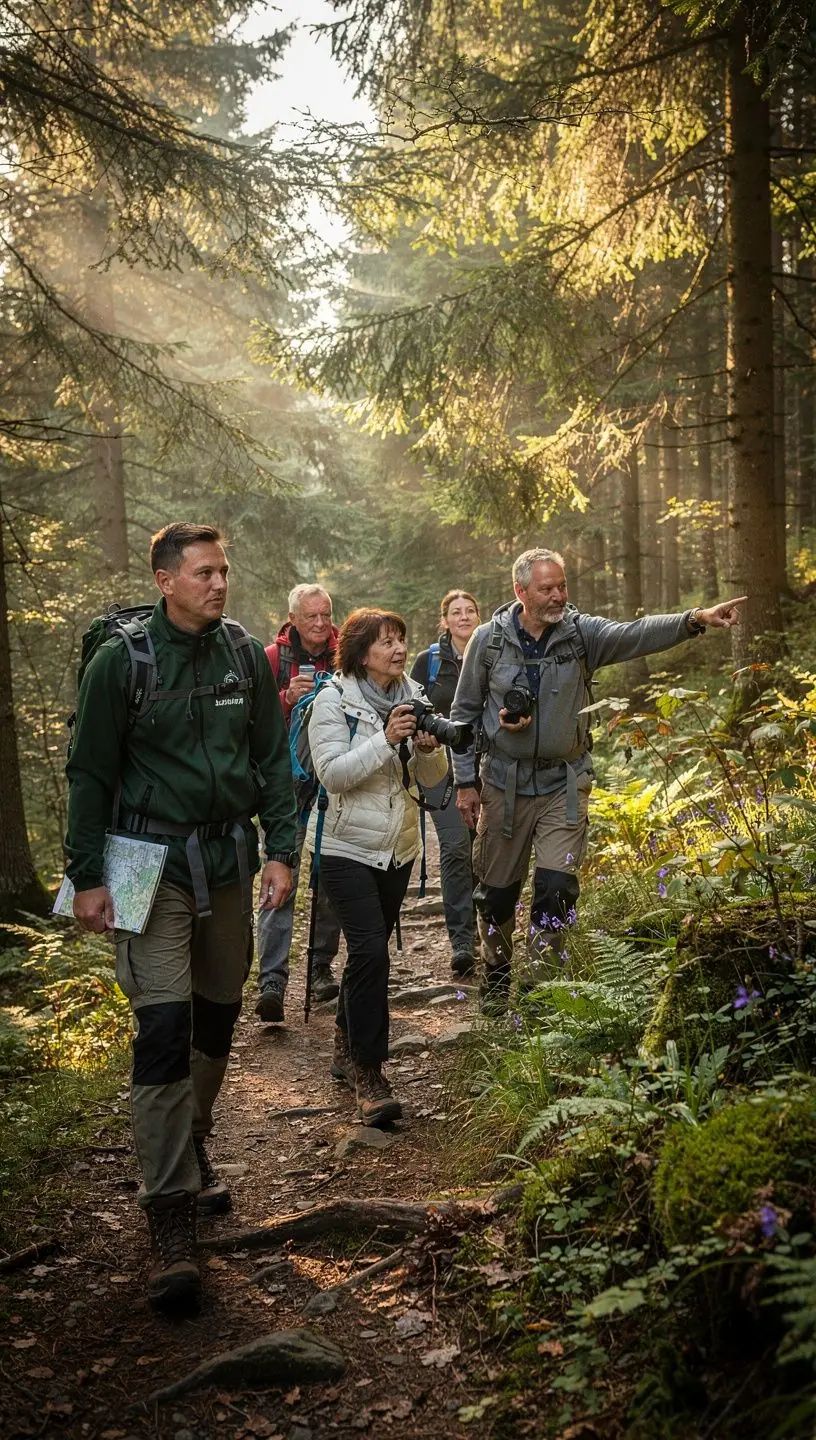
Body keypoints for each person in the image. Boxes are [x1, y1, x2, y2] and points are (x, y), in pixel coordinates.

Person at [65, 523, 296, 1308]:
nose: (219, 584)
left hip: (228, 860)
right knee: (162, 1028)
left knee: (217, 1018)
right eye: (203, 573)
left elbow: (271, 757)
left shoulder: (243, 655)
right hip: (142, 865)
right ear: (165, 580)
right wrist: (87, 876)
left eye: (224, 570)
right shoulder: (118, 663)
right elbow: (89, 773)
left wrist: (282, 850)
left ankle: (192, 1144)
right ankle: (168, 1211)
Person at [450, 547, 746, 1013]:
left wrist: (695, 619)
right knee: (497, 893)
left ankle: (541, 991)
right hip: (503, 785)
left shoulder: (580, 633)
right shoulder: (487, 642)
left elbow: (634, 634)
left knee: (556, 888)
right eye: (546, 588)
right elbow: (463, 716)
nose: (557, 595)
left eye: (562, 585)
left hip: (563, 786)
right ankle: (498, 970)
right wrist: (466, 784)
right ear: (520, 591)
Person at [306, 607, 449, 1125]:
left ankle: (343, 1048)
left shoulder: (415, 697)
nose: (398, 649)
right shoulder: (331, 701)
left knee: (367, 955)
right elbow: (334, 775)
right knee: (370, 950)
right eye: (386, 642)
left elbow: (431, 778)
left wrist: (428, 750)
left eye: (401, 640)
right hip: (343, 847)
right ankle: (370, 1073)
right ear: (361, 651)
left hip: (397, 847)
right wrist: (386, 739)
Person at [255, 583, 342, 1023]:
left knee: (329, 878)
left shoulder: (347, 654)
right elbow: (250, 720)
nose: (321, 624)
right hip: (285, 787)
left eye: (326, 615)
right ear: (292, 618)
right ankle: (272, 980)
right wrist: (285, 699)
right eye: (312, 617)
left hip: (334, 783)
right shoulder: (272, 659)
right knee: (279, 877)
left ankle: (320, 969)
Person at [410, 590, 481, 978]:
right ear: (445, 619)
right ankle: (462, 941)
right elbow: (412, 707)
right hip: (441, 769)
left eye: (470, 611)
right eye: (457, 612)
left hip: (487, 767)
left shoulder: (491, 651)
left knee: (484, 850)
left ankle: (490, 930)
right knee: (455, 849)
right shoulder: (429, 662)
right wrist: (424, 733)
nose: (464, 617)